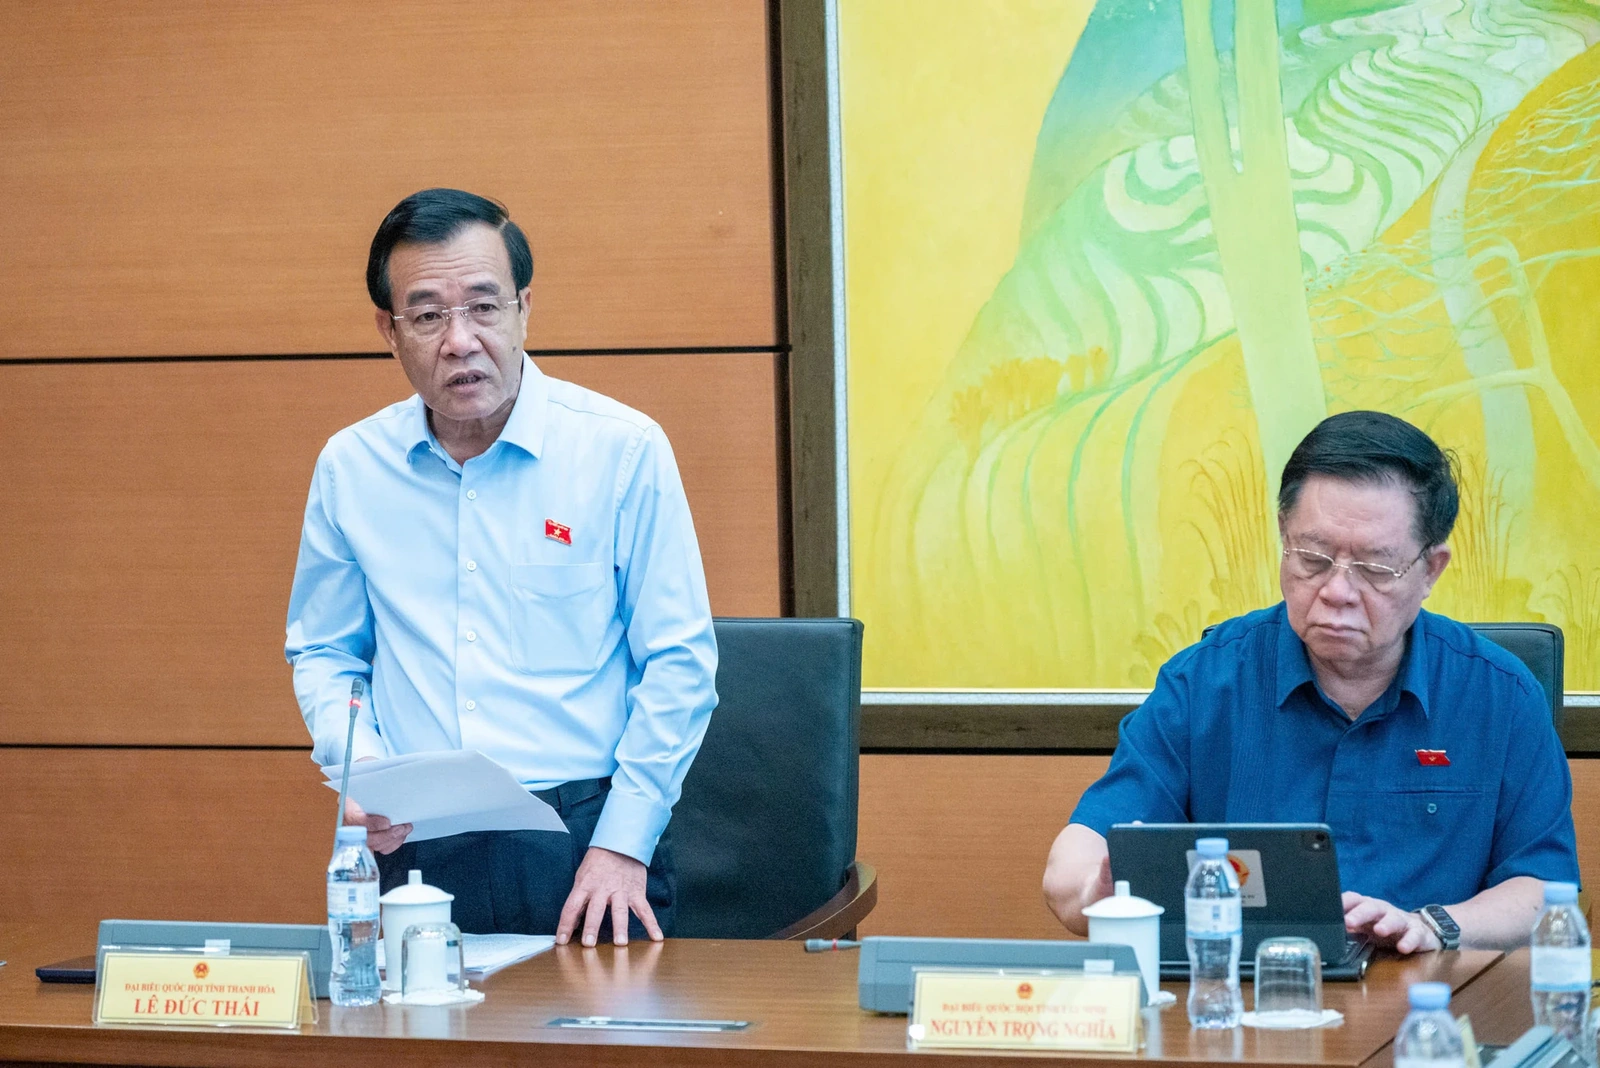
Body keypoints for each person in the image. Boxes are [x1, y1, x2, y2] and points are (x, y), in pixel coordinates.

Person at [286, 188, 717, 948]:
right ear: (390, 331)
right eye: (428, 316)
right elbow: (327, 652)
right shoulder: (351, 467)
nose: (460, 341)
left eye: (484, 307)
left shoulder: (620, 450)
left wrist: (624, 845)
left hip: (583, 840)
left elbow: (679, 662)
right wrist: (363, 773)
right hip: (414, 840)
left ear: (524, 310)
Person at [1043, 410, 1578, 953]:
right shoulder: (1202, 683)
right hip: (1248, 990)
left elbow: (1543, 889)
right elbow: (1074, 862)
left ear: (1431, 569)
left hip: (1431, 992)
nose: (1337, 591)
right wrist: (1095, 892)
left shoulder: (1500, 695)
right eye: (1313, 558)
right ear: (1284, 535)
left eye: (1375, 568)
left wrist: (1431, 926)